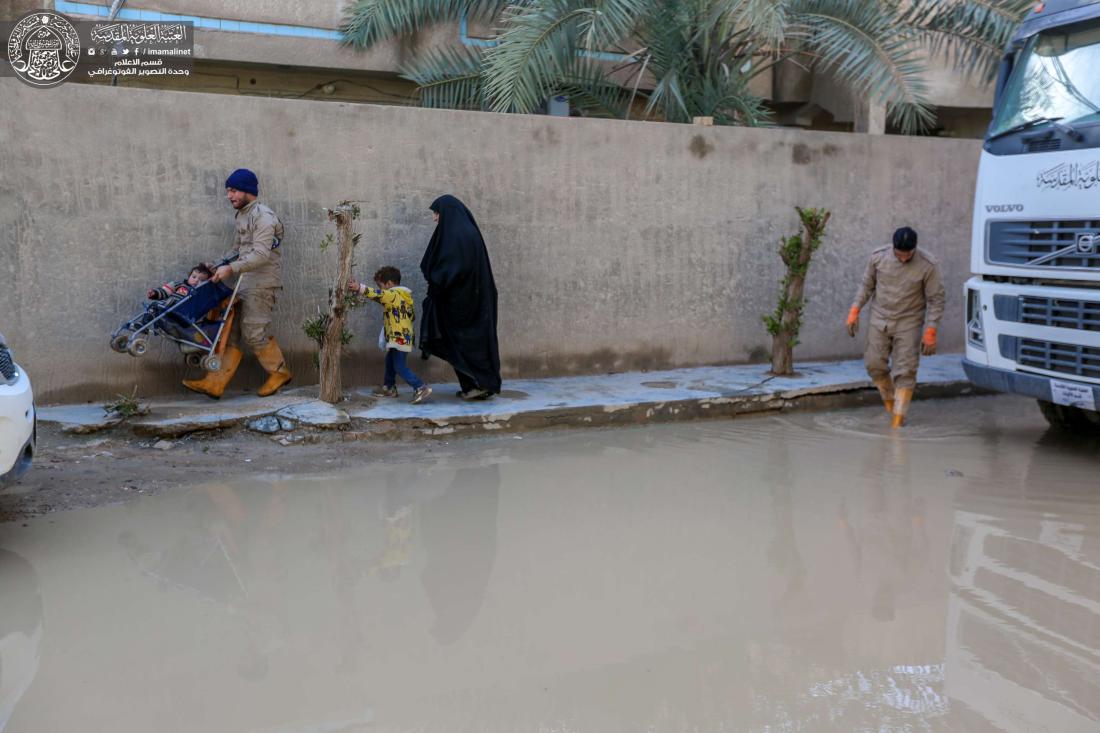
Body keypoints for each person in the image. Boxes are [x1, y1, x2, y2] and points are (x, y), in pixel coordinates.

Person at [183, 168, 292, 399]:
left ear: (247, 191)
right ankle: (215, 383)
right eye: (228, 191)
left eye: (233, 190)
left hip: (261, 284)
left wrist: (230, 269)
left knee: (254, 333)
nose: (229, 196)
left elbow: (261, 255)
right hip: (243, 283)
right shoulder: (242, 214)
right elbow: (238, 250)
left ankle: (279, 373)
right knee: (228, 333)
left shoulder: (263, 217)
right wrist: (217, 264)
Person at [846, 226, 945, 428]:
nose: (902, 259)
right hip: (880, 318)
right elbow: (867, 286)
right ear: (893, 247)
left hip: (909, 321)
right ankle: (892, 408)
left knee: (905, 370)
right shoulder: (878, 258)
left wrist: (931, 331)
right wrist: (855, 310)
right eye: (899, 254)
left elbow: (936, 300)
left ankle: (897, 422)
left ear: (914, 249)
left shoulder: (928, 265)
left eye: (907, 255)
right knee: (874, 365)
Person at [419, 195, 501, 400]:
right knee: (465, 344)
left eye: (437, 213)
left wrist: (438, 279)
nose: (435, 218)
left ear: (447, 212)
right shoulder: (463, 233)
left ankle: (477, 385)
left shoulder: (458, 236)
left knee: (462, 344)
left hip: (462, 304)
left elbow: (453, 268)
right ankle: (475, 385)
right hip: (467, 302)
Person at [347, 266, 432, 404]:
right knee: (390, 361)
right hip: (401, 337)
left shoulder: (393, 294)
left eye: (381, 286)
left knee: (399, 366)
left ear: (390, 284)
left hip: (399, 338)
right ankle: (389, 387)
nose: (381, 289)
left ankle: (420, 387)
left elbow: (378, 295)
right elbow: (411, 316)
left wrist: (359, 287)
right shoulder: (403, 297)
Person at [146, 263, 213, 301]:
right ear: (189, 277)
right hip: (167, 306)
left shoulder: (200, 293)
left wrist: (213, 273)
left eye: (201, 280)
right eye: (194, 277)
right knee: (154, 307)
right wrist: (155, 293)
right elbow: (165, 291)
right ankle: (145, 320)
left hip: (184, 314)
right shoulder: (179, 284)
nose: (196, 280)